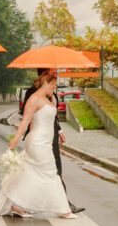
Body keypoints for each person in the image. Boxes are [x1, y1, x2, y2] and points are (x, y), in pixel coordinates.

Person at [0, 72, 79, 218]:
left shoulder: (46, 98)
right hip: (38, 142)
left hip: (44, 142)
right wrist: (16, 139)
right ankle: (63, 209)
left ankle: (13, 204)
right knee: (50, 172)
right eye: (53, 85)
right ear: (46, 83)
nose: (54, 89)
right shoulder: (34, 99)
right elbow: (26, 121)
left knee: (28, 173)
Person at [23, 68, 82, 214]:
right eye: (52, 71)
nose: (55, 73)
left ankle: (26, 204)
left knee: (50, 170)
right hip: (40, 139)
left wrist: (60, 130)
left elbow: (52, 114)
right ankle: (64, 205)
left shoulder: (51, 91)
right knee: (50, 171)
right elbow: (28, 115)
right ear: (44, 74)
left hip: (51, 136)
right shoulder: (32, 93)